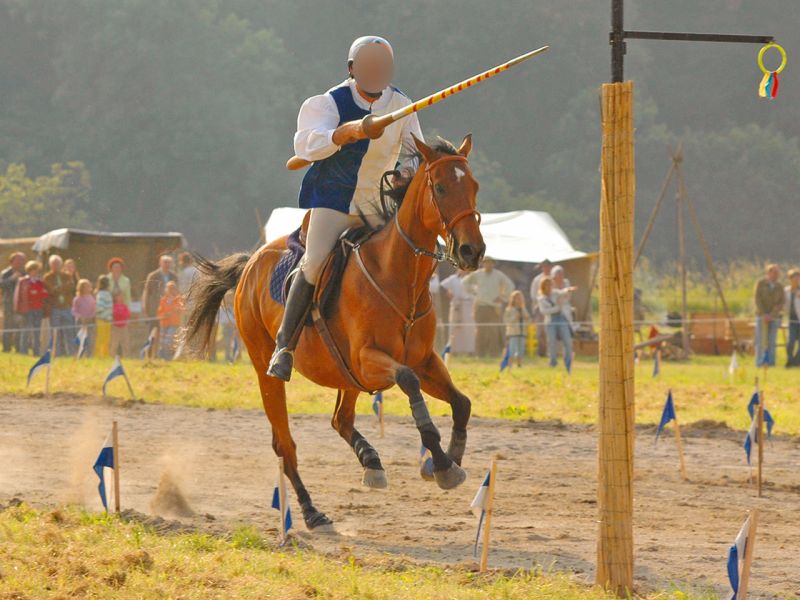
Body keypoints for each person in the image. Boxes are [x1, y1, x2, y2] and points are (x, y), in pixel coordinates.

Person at [267, 35, 424, 381]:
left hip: (377, 204)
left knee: (406, 256)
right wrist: (345, 133)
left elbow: (415, 151)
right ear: (352, 69)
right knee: (315, 261)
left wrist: (405, 174)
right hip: (334, 201)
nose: (376, 72)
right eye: (368, 65)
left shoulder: (402, 104)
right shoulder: (328, 103)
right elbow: (306, 144)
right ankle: (284, 346)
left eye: (383, 66)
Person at [463, 257, 514, 357]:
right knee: (480, 331)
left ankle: (494, 354)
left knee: (493, 331)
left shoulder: (498, 274)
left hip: (493, 307)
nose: (488, 265)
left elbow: (510, 286)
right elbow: (465, 282)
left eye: (490, 263)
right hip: (480, 306)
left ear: (493, 264)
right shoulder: (477, 274)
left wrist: (502, 297)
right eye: (486, 263)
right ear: (483, 264)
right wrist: (474, 293)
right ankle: (480, 354)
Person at [143, 255, 178, 358]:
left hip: (171, 313)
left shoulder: (174, 277)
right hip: (155, 310)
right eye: (165, 262)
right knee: (152, 334)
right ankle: (149, 356)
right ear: (160, 263)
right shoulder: (153, 276)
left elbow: (178, 293)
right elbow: (147, 294)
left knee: (168, 336)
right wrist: (146, 310)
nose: (167, 264)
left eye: (168, 262)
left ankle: (167, 356)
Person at [537, 276, 574, 370]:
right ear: (543, 286)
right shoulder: (541, 299)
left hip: (561, 318)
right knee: (552, 342)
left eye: (550, 284)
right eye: (547, 285)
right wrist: (557, 307)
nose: (549, 287)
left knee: (567, 340)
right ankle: (553, 363)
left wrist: (568, 290)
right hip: (550, 321)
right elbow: (544, 311)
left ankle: (568, 363)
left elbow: (563, 292)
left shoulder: (556, 293)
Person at [43, 254, 77, 356]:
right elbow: (50, 290)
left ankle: (71, 353)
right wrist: (62, 287)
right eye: (53, 264)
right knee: (55, 333)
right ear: (50, 265)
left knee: (69, 332)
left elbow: (70, 287)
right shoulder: (47, 277)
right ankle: (56, 354)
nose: (56, 266)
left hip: (66, 307)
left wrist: (57, 288)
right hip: (55, 308)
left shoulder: (67, 276)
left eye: (57, 264)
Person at [14, 260, 48, 356]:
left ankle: (36, 352)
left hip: (38, 309)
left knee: (37, 332)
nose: (35, 272)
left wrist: (41, 293)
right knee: (26, 331)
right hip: (27, 310)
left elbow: (44, 294)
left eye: (36, 270)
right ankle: (23, 351)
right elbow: (18, 296)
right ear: (29, 270)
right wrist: (18, 310)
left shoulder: (40, 282)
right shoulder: (23, 281)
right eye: (33, 270)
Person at [754, 263, 783, 367]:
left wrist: (772, 314)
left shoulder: (779, 286)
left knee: (771, 341)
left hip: (774, 317)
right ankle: (759, 362)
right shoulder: (760, 283)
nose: (776, 275)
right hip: (761, 316)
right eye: (774, 272)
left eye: (778, 273)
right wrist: (764, 314)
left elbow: (781, 302)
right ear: (769, 273)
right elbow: (757, 299)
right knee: (760, 341)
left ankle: (771, 363)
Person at [441, 269, 475, 355]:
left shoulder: (472, 278)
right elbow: (442, 286)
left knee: (468, 328)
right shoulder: (453, 278)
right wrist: (448, 291)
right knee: (454, 328)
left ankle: (469, 350)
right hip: (456, 305)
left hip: (468, 305)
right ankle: (453, 350)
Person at [1, 252, 26, 352]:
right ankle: (6, 348)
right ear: (12, 261)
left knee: (19, 326)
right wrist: (12, 278)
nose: (20, 263)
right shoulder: (5, 273)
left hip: (21, 305)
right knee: (8, 325)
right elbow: (1, 285)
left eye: (22, 260)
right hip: (9, 304)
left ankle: (18, 348)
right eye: (18, 260)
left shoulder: (25, 273)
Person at [529, 259, 552, 357]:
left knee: (551, 330)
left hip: (552, 307)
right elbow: (533, 294)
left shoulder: (553, 277)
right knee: (540, 331)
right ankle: (542, 352)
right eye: (544, 266)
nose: (546, 268)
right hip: (540, 307)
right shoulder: (537, 279)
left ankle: (551, 351)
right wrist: (541, 302)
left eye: (547, 266)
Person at [503, 290, 531, 368]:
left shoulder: (524, 309)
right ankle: (509, 365)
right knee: (512, 349)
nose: (519, 300)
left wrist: (526, 318)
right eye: (517, 298)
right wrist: (514, 318)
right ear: (513, 299)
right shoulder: (509, 310)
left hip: (522, 332)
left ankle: (519, 365)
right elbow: (506, 321)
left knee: (521, 350)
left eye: (520, 298)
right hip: (513, 333)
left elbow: (529, 320)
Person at [157, 281, 184, 359]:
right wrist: (164, 315)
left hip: (174, 323)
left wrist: (175, 310)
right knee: (162, 341)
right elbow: (159, 312)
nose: (171, 290)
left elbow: (181, 309)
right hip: (164, 323)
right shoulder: (163, 300)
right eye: (169, 289)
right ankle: (162, 357)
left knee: (168, 340)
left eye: (173, 288)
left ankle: (168, 357)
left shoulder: (178, 299)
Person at [71, 278, 96, 356]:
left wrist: (90, 317)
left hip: (90, 322)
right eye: (86, 287)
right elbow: (74, 310)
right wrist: (81, 317)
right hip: (80, 322)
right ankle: (79, 354)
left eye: (89, 286)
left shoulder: (92, 298)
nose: (88, 288)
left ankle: (89, 354)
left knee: (90, 339)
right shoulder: (77, 299)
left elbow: (94, 309)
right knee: (80, 339)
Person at [94, 275, 113, 358]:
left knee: (103, 338)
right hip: (105, 319)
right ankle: (101, 355)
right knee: (103, 338)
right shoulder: (104, 294)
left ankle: (102, 354)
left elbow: (101, 307)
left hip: (104, 319)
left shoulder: (103, 294)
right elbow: (101, 307)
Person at [785, 269, 800, 367]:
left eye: (798, 278)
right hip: (791, 321)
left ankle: (796, 361)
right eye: (795, 278)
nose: (797, 280)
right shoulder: (785, 290)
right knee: (790, 343)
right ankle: (790, 360)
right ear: (790, 279)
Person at [110, 291, 130, 357]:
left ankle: (126, 356)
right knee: (114, 343)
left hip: (124, 327)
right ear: (115, 298)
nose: (121, 298)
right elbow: (113, 314)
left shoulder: (125, 306)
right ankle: (112, 356)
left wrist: (126, 320)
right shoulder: (113, 306)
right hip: (115, 327)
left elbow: (127, 314)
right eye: (119, 296)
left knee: (125, 343)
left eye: (122, 296)